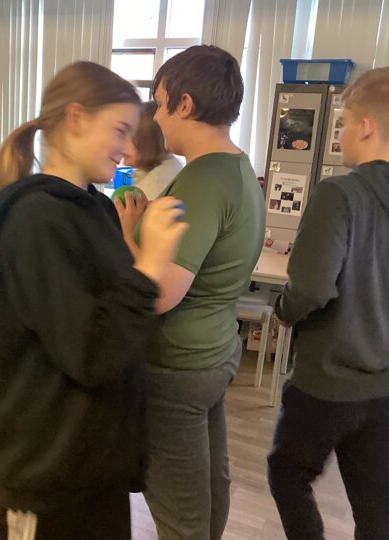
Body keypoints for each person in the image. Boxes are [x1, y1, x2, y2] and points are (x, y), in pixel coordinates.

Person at [0, 61, 187, 539]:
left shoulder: (97, 208)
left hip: (92, 465)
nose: (128, 148)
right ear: (77, 118)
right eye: (120, 130)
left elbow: (118, 327)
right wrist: (149, 266)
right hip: (45, 476)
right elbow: (92, 352)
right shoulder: (37, 219)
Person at [117, 45, 266, 539]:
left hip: (177, 366)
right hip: (213, 351)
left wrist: (127, 236)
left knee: (181, 516)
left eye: (161, 104)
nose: (157, 117)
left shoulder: (200, 180)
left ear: (185, 104)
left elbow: (160, 293)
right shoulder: (236, 167)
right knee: (208, 487)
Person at [267, 66, 389, 539]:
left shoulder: (338, 194)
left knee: (287, 473)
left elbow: (311, 289)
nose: (339, 134)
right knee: (377, 512)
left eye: (343, 123)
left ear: (366, 126)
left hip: (327, 385)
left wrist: (283, 310)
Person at [124, 101, 183, 200]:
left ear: (147, 141)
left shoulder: (156, 183)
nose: (120, 145)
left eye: (129, 137)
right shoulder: (162, 171)